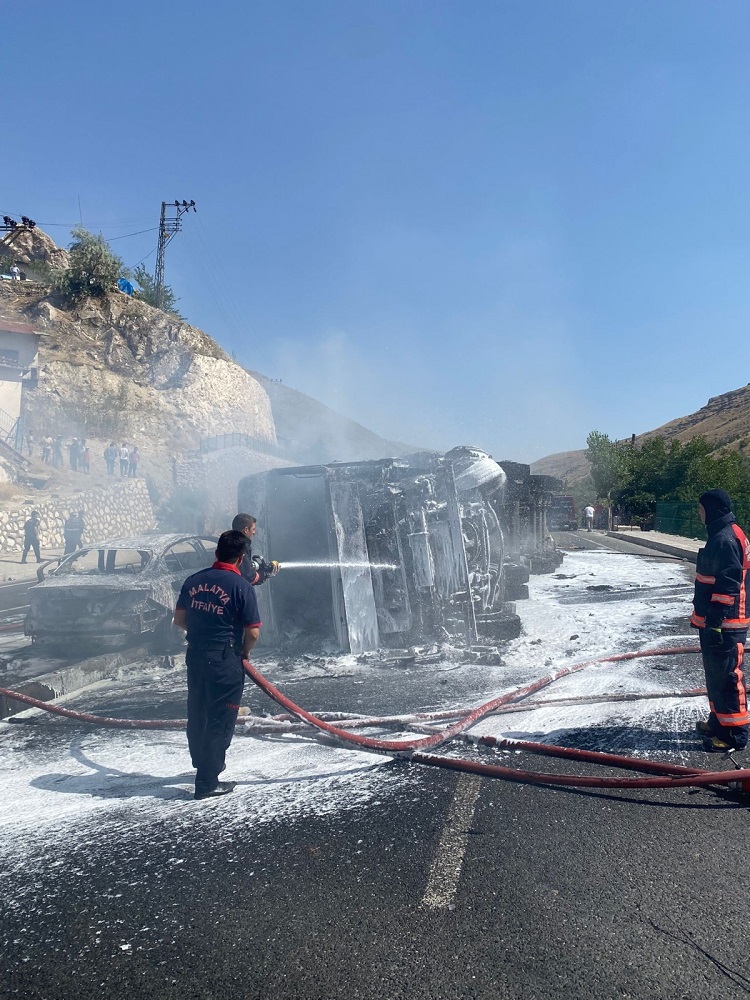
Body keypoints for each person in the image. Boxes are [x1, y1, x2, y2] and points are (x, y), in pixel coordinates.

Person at [172, 530, 262, 800]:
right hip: (224, 660)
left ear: (216, 553)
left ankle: (203, 766)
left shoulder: (194, 580)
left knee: (198, 712)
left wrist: (202, 632)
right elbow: (253, 632)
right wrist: (243, 652)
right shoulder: (241, 587)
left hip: (196, 656)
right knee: (221, 717)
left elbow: (179, 620)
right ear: (241, 557)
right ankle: (208, 781)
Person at [691, 489, 750, 752]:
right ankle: (719, 723)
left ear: (712, 510)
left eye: (701, 508)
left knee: (728, 677)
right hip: (716, 623)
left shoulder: (726, 539)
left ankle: (735, 734)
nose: (698, 513)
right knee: (715, 675)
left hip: (726, 624)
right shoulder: (723, 534)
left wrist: (714, 622)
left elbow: (727, 587)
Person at [231, 512, 280, 586]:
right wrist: (265, 573)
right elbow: (249, 577)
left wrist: (258, 566)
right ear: (246, 530)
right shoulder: (242, 547)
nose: (254, 532)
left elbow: (243, 567)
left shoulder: (229, 542)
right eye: (253, 529)